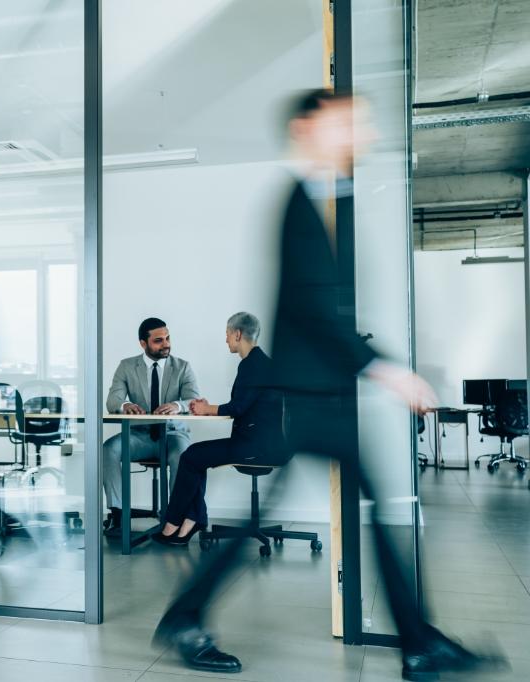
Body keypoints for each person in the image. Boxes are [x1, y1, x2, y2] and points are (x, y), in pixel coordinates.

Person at [152, 89, 505, 681]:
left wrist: (374, 366)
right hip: (308, 398)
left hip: (326, 394)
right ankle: (188, 616)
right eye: (347, 124)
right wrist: (389, 369)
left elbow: (331, 316)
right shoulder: (297, 202)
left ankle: (418, 642)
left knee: (372, 510)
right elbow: (316, 310)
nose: (359, 135)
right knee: (338, 513)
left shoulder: (332, 198)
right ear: (308, 128)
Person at [153, 312, 285, 546]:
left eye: (227, 334)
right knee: (195, 457)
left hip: (255, 448)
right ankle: (191, 521)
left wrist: (206, 409)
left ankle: (175, 523)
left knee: (191, 456)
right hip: (262, 444)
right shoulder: (260, 362)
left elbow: (237, 407)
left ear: (237, 334)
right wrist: (208, 407)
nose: (225, 340)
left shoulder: (253, 365)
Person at [103, 318, 200, 534]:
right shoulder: (127, 366)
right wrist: (125, 404)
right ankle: (119, 513)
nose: (166, 344)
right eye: (158, 341)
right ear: (143, 343)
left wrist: (177, 405)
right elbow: (112, 401)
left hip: (173, 434)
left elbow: (194, 401)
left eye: (167, 338)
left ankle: (175, 516)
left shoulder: (182, 367)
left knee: (182, 455)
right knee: (108, 449)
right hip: (140, 435)